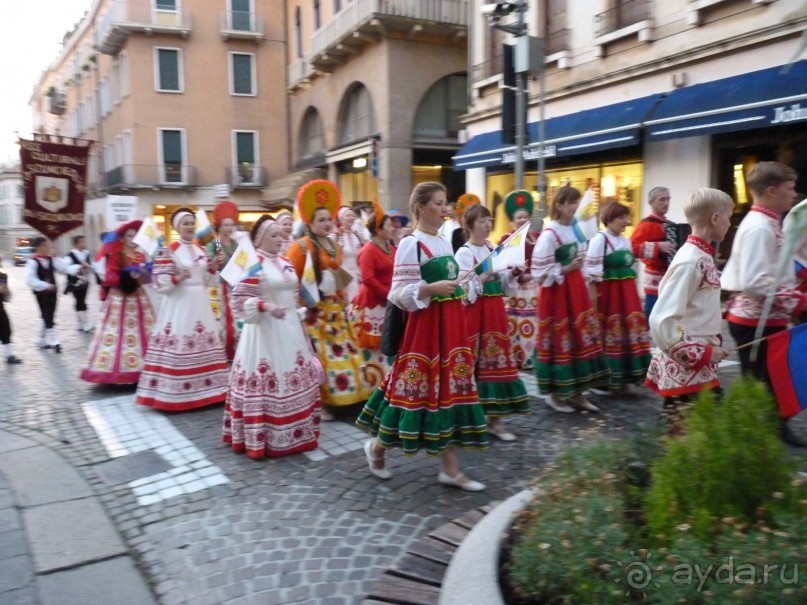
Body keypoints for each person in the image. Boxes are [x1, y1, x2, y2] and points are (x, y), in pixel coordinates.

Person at [356, 181, 488, 492]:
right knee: (411, 395)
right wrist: (430, 289)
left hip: (450, 328)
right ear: (421, 208)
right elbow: (398, 294)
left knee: (446, 394)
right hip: (424, 331)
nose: (446, 209)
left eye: (446, 203)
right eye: (439, 203)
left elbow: (455, 282)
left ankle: (450, 470)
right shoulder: (410, 244)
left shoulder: (443, 242)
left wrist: (469, 283)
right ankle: (376, 449)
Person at [222, 216, 321, 458]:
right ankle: (268, 435)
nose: (280, 239)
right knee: (271, 379)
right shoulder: (254, 263)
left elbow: (293, 293)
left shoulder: (285, 261)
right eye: (273, 235)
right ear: (260, 239)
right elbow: (239, 301)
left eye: (280, 235)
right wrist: (266, 307)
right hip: (265, 331)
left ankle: (297, 430)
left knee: (293, 376)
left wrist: (300, 311)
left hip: (290, 328)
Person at [286, 180, 371, 420]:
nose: (326, 223)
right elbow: (291, 278)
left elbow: (340, 274)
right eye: (320, 220)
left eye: (328, 219)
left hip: (335, 310)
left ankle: (351, 396)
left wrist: (343, 297)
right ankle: (322, 402)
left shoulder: (335, 245)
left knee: (346, 351)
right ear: (309, 223)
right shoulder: (300, 247)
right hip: (315, 312)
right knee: (321, 357)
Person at [646, 188, 734, 411]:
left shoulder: (701, 256)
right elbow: (662, 319)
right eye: (728, 216)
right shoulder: (691, 261)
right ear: (715, 218)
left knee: (692, 433)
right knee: (685, 433)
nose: (730, 223)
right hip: (688, 369)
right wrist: (701, 353)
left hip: (698, 367)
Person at [136, 208, 229, 411]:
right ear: (177, 227)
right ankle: (178, 394)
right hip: (180, 305)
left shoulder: (201, 250)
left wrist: (213, 266)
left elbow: (207, 280)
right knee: (180, 344)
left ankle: (211, 391)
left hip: (200, 303)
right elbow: (159, 283)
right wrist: (178, 278)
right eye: (185, 223)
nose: (189, 226)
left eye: (191, 223)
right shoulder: (168, 251)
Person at [721, 162, 805, 385]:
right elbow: (754, 282)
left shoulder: (767, 222)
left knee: (773, 388)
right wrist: (798, 301)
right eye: (790, 188)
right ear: (771, 191)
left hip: (765, 318)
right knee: (767, 391)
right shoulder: (759, 227)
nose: (794, 194)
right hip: (755, 321)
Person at [531, 186, 609, 413]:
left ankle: (578, 392)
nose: (576, 207)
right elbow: (538, 271)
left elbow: (582, 261)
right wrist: (565, 269)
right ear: (559, 205)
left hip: (575, 291)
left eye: (577, 202)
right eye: (571, 202)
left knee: (580, 337)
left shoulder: (576, 230)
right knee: (560, 339)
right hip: (556, 295)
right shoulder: (549, 234)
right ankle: (556, 395)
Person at [456, 204, 529, 441]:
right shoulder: (464, 253)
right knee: (474, 365)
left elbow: (504, 285)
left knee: (497, 363)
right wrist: (486, 273)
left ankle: (495, 421)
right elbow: (463, 290)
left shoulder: (492, 248)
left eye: (489, 220)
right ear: (469, 226)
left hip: (495, 312)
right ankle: (470, 419)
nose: (487, 225)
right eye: (481, 221)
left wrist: (514, 273)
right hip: (475, 315)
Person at [584, 202, 652, 391]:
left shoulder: (625, 240)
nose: (626, 222)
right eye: (621, 218)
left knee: (629, 332)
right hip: (610, 295)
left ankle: (626, 375)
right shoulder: (600, 240)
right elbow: (591, 274)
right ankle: (607, 379)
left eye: (626, 218)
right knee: (611, 333)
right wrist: (594, 303)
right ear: (610, 219)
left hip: (627, 295)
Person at [80, 220, 156, 384]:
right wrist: (126, 276)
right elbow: (108, 276)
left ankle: (145, 368)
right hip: (119, 297)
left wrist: (142, 275)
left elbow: (145, 279)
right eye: (129, 235)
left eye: (135, 235)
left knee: (143, 329)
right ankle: (119, 370)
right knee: (118, 332)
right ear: (122, 238)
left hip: (137, 296)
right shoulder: (116, 253)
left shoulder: (140, 254)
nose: (132, 238)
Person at [351, 200, 397, 387]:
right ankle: (371, 386)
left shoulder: (391, 248)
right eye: (388, 225)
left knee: (385, 348)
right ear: (378, 230)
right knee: (373, 350)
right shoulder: (368, 250)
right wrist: (388, 294)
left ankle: (385, 384)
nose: (393, 228)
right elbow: (368, 278)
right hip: (371, 306)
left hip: (387, 303)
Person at [498, 190, 539, 370]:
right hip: (517, 288)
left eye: (525, 217)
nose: (522, 220)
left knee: (534, 321)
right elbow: (503, 265)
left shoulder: (535, 237)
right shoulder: (508, 238)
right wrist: (518, 274)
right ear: (511, 221)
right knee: (518, 322)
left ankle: (532, 357)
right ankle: (518, 357)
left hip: (534, 287)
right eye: (519, 217)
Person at [25, 236, 80, 353]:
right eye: (45, 246)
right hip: (41, 294)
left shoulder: (51, 259)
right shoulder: (32, 262)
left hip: (53, 292)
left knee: (48, 315)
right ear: (38, 247)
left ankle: (40, 339)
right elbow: (29, 280)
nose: (48, 248)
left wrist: (78, 268)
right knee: (48, 315)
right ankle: (55, 341)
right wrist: (46, 285)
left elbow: (63, 269)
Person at [630, 187, 678, 318]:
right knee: (652, 314)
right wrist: (658, 247)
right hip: (654, 278)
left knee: (669, 315)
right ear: (651, 202)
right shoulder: (646, 225)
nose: (666, 203)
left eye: (668, 199)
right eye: (662, 199)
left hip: (670, 276)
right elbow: (632, 248)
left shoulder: (670, 225)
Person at [205, 200, 240, 361]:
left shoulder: (236, 244)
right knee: (220, 321)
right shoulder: (215, 244)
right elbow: (209, 265)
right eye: (226, 225)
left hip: (235, 286)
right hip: (219, 287)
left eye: (231, 225)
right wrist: (214, 263)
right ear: (219, 226)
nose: (229, 228)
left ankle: (235, 352)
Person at [332, 205, 364, 303]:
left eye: (353, 215)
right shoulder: (335, 236)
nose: (351, 218)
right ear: (341, 218)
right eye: (348, 215)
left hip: (357, 275)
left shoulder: (357, 235)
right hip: (343, 276)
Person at [63, 234, 94, 333]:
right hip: (75, 282)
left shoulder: (87, 254)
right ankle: (85, 323)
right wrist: (79, 266)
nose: (84, 243)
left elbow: (91, 266)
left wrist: (88, 266)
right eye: (81, 242)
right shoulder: (70, 255)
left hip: (85, 281)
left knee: (82, 300)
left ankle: (80, 323)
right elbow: (66, 268)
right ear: (76, 244)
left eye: (84, 241)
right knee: (80, 300)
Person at [0, 268, 22, 364]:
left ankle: (9, 355)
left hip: (0, 310)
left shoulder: (2, 275)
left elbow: (7, 298)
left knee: (6, 330)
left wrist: (6, 292)